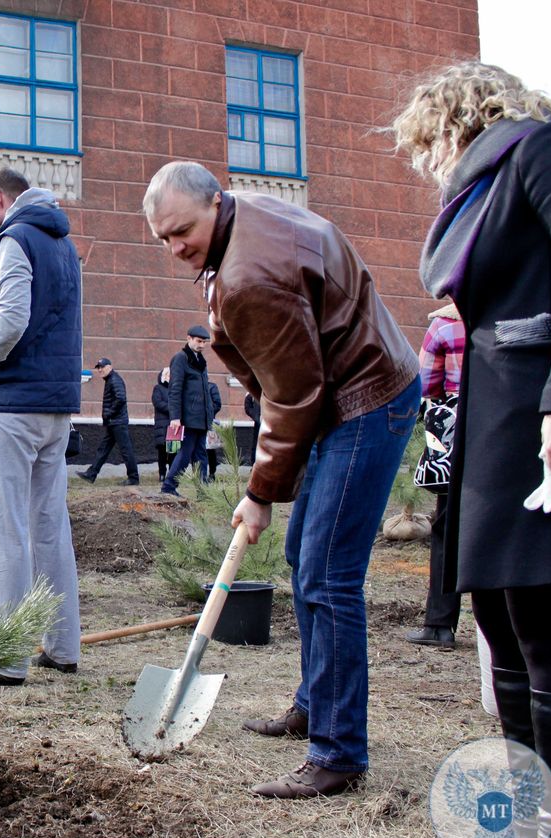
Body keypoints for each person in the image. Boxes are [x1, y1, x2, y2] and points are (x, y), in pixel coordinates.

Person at [144, 160, 421, 799]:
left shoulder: (249, 276)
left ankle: (338, 752)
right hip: (343, 392)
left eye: (182, 231)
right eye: (163, 238)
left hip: (366, 397)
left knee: (328, 572)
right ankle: (314, 704)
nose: (175, 248)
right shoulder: (238, 228)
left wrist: (261, 491)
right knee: (306, 558)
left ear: (216, 202)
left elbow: (294, 397)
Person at [393, 62, 551, 838]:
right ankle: (529, 818)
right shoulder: (481, 188)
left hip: (546, 425)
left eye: (428, 142)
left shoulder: (544, 149)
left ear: (455, 121)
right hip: (493, 425)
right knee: (502, 627)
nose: (428, 161)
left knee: (546, 633)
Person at [0, 167, 82, 685]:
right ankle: (62, 645)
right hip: (55, 406)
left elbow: (13, 317)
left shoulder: (14, 237)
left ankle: (7, 655)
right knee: (49, 524)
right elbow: (44, 313)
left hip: (11, 406)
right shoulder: (62, 244)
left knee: (1, 525)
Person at [404, 302, 465, 650]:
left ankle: (440, 625)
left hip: (457, 436)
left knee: (446, 528)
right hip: (507, 429)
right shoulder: (506, 309)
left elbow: (426, 384)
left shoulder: (444, 326)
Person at [161, 325, 221, 495]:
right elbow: (175, 389)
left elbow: (204, 391)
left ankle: (202, 491)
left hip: (201, 419)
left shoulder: (201, 361)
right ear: (189, 339)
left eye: (204, 342)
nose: (202, 345)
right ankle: (168, 487)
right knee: (185, 454)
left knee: (201, 456)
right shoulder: (180, 358)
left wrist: (209, 415)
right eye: (198, 341)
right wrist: (175, 417)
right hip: (188, 418)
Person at [78, 357, 140, 485]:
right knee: (103, 449)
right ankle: (91, 474)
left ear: (109, 367)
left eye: (102, 367)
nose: (100, 370)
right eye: (98, 367)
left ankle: (133, 478)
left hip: (118, 422)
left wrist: (108, 413)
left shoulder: (114, 380)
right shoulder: (110, 379)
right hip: (114, 422)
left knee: (126, 450)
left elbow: (121, 398)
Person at [152, 367, 172, 481]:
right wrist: (172, 408)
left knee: (173, 451)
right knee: (162, 452)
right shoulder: (158, 388)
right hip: (162, 425)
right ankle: (162, 474)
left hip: (174, 425)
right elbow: (158, 403)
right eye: (167, 374)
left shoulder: (175, 389)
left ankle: (171, 473)